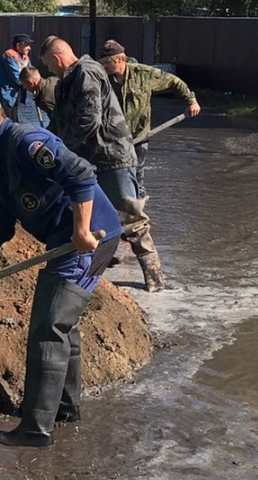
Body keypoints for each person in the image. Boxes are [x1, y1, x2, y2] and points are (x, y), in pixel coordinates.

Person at [0, 91, 120, 448]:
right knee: (62, 325)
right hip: (66, 239)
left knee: (48, 326)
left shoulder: (27, 141)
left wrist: (81, 231)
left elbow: (82, 175)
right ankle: (65, 409)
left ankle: (35, 430)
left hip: (90, 238)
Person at [41, 36, 167, 292]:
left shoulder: (87, 73)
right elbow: (59, 123)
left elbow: (90, 119)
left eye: (48, 66)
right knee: (93, 218)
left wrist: (62, 148)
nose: (49, 72)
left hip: (112, 158)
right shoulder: (67, 82)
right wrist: (43, 146)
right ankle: (98, 277)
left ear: (56, 58)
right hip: (89, 162)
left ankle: (156, 282)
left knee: (131, 219)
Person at [98, 39, 200, 194]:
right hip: (114, 136)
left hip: (140, 134)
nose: (104, 66)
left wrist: (191, 101)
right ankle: (118, 203)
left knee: (137, 172)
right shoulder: (102, 79)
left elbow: (174, 82)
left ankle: (138, 204)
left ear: (118, 59)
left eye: (107, 62)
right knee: (116, 172)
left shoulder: (143, 74)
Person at [0, 33, 34, 121]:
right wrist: (29, 84)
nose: (29, 48)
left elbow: (31, 72)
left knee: (14, 120)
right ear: (18, 45)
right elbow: (16, 77)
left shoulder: (25, 58)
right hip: (5, 94)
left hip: (16, 94)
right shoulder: (9, 56)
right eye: (27, 45)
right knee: (6, 120)